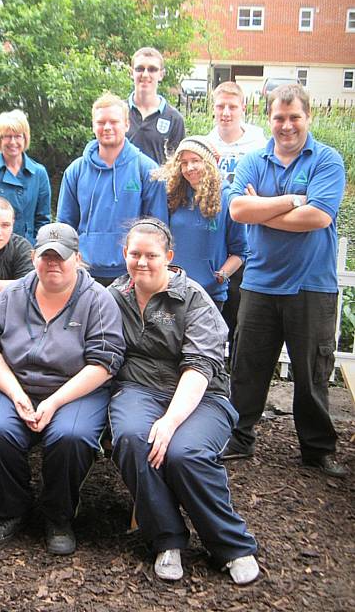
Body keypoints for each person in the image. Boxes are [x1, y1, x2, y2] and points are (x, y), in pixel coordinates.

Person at [109, 219, 259, 584]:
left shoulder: (193, 298)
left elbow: (200, 366)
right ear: (124, 255)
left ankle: (231, 544)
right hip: (138, 390)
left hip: (201, 395)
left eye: (151, 255)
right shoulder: (113, 297)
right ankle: (167, 539)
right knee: (132, 438)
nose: (142, 262)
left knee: (182, 452)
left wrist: (170, 421)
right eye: (134, 254)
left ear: (169, 257)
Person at [0, 223, 125, 555]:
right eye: (46, 257)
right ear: (33, 258)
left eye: (62, 257)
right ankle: (10, 509)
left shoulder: (98, 300)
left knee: (71, 437)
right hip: (16, 383)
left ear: (78, 259)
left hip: (76, 390)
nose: (53, 264)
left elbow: (105, 362)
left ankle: (58, 515)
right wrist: (15, 393)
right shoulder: (13, 295)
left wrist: (55, 402)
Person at [226, 84, 347, 478]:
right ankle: (240, 438)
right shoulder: (254, 160)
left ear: (307, 117)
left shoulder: (327, 160)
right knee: (248, 366)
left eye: (294, 117)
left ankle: (316, 449)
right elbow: (238, 209)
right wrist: (294, 200)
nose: (287, 125)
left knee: (311, 372)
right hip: (260, 282)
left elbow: (319, 217)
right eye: (279, 117)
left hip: (312, 285)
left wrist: (264, 209)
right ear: (269, 118)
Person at [57, 92, 168, 286]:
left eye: (114, 122)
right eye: (101, 122)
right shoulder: (75, 170)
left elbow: (157, 227)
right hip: (85, 272)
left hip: (131, 273)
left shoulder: (147, 170)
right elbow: (65, 225)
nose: (107, 127)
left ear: (126, 124)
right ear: (93, 126)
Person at [206, 82, 266, 355]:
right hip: (216, 236)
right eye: (221, 106)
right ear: (213, 109)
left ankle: (235, 371)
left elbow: (263, 189)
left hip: (250, 238)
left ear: (243, 108)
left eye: (232, 106)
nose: (226, 112)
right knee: (213, 315)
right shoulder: (206, 144)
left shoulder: (259, 144)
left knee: (244, 315)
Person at [160, 136, 247, 309]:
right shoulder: (173, 196)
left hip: (209, 295)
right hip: (172, 290)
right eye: (184, 163)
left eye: (195, 161)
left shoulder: (227, 198)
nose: (189, 168)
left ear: (208, 163)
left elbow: (241, 251)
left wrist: (221, 276)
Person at [0, 109, 51, 244]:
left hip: (26, 249)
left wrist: (36, 250)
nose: (13, 142)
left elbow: (43, 220)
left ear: (25, 138)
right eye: (7, 136)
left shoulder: (39, 173)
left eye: (18, 136)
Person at [125, 47, 185, 165]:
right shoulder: (117, 112)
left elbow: (177, 165)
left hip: (158, 183)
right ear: (131, 73)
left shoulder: (174, 119)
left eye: (152, 69)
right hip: (121, 183)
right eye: (140, 69)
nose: (145, 74)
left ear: (161, 74)